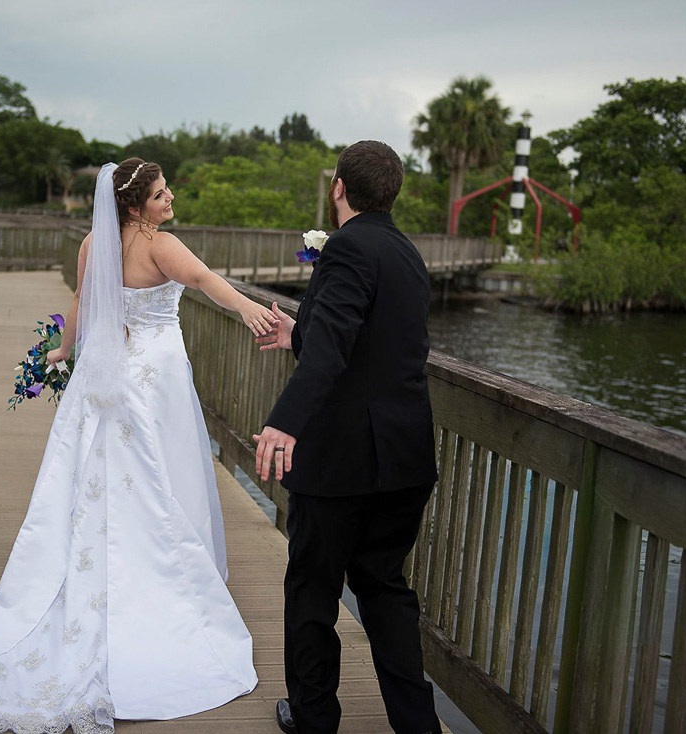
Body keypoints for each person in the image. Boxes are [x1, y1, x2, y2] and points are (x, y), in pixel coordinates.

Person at [0, 158, 271, 732]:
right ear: (136, 207)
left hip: (104, 377)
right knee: (165, 473)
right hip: (153, 377)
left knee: (91, 475)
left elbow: (84, 303)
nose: (169, 200)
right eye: (160, 195)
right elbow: (207, 282)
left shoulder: (94, 242)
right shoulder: (159, 244)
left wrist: (63, 351)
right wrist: (251, 308)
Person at [254, 141, 441, 734]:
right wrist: (299, 332)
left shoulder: (348, 249)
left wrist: (284, 421)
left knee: (313, 590)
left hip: (341, 464)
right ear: (392, 192)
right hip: (405, 459)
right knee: (385, 592)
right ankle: (419, 727)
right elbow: (365, 338)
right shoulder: (407, 254)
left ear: (338, 188)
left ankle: (313, 720)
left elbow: (336, 348)